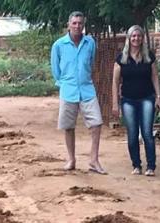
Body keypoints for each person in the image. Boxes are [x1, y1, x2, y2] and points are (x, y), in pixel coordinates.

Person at [51, 11, 106, 174]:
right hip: (68, 90)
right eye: (74, 23)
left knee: (96, 123)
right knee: (68, 126)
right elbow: (55, 69)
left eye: (80, 23)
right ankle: (71, 159)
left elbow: (91, 62)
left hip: (87, 89)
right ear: (69, 25)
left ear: (84, 25)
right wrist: (63, 83)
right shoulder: (59, 45)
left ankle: (94, 160)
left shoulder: (90, 43)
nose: (77, 26)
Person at [111, 25, 160, 177]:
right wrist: (115, 104)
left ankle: (151, 166)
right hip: (128, 100)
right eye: (133, 36)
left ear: (142, 39)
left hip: (147, 98)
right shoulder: (121, 58)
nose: (136, 38)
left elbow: (154, 77)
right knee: (132, 133)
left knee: (147, 133)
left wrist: (158, 96)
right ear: (129, 38)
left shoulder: (149, 57)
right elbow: (114, 82)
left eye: (139, 36)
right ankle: (136, 165)